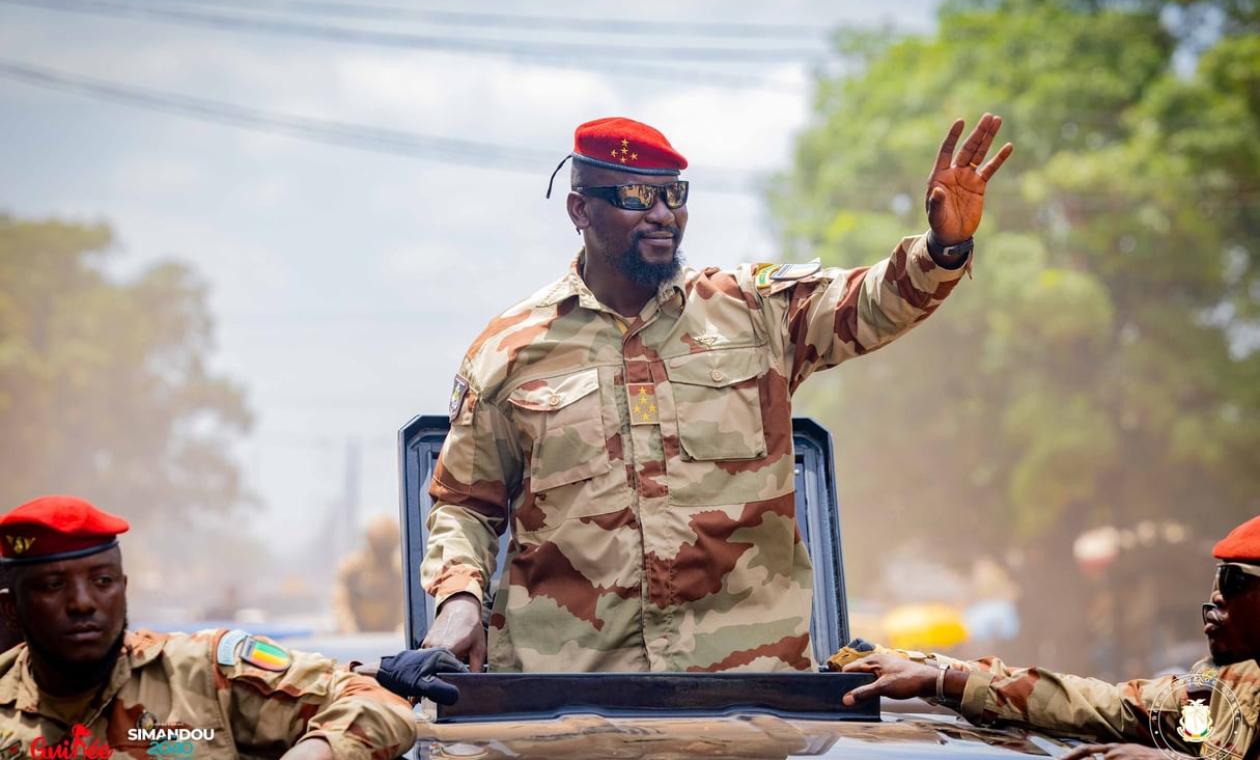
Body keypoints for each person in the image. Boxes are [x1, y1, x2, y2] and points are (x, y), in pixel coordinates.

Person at [420, 114, 1014, 673]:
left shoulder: (752, 314)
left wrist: (942, 249)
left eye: (674, 196)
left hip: (748, 697)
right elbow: (466, 504)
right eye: (635, 197)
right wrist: (458, 598)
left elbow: (872, 302)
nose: (660, 214)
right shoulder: (511, 352)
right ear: (580, 209)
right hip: (569, 700)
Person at [0, 495, 420, 760]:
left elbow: (375, 702)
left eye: (102, 581)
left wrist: (317, 751)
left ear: (123, 588)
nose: (83, 603)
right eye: (54, 585)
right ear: (11, 609)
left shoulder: (202, 672)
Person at [838, 514, 1260, 760]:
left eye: (1234, 580)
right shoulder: (1229, 686)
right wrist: (940, 677)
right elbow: (1104, 706)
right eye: (1216, 578)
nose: (1215, 598)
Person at [332, 515, 404, 633]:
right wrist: (350, 632)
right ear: (369, 542)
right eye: (379, 548)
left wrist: (401, 632)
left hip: (391, 642)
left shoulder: (400, 573)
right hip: (358, 640)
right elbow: (340, 607)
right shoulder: (350, 569)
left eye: (387, 549)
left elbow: (404, 614)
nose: (382, 555)